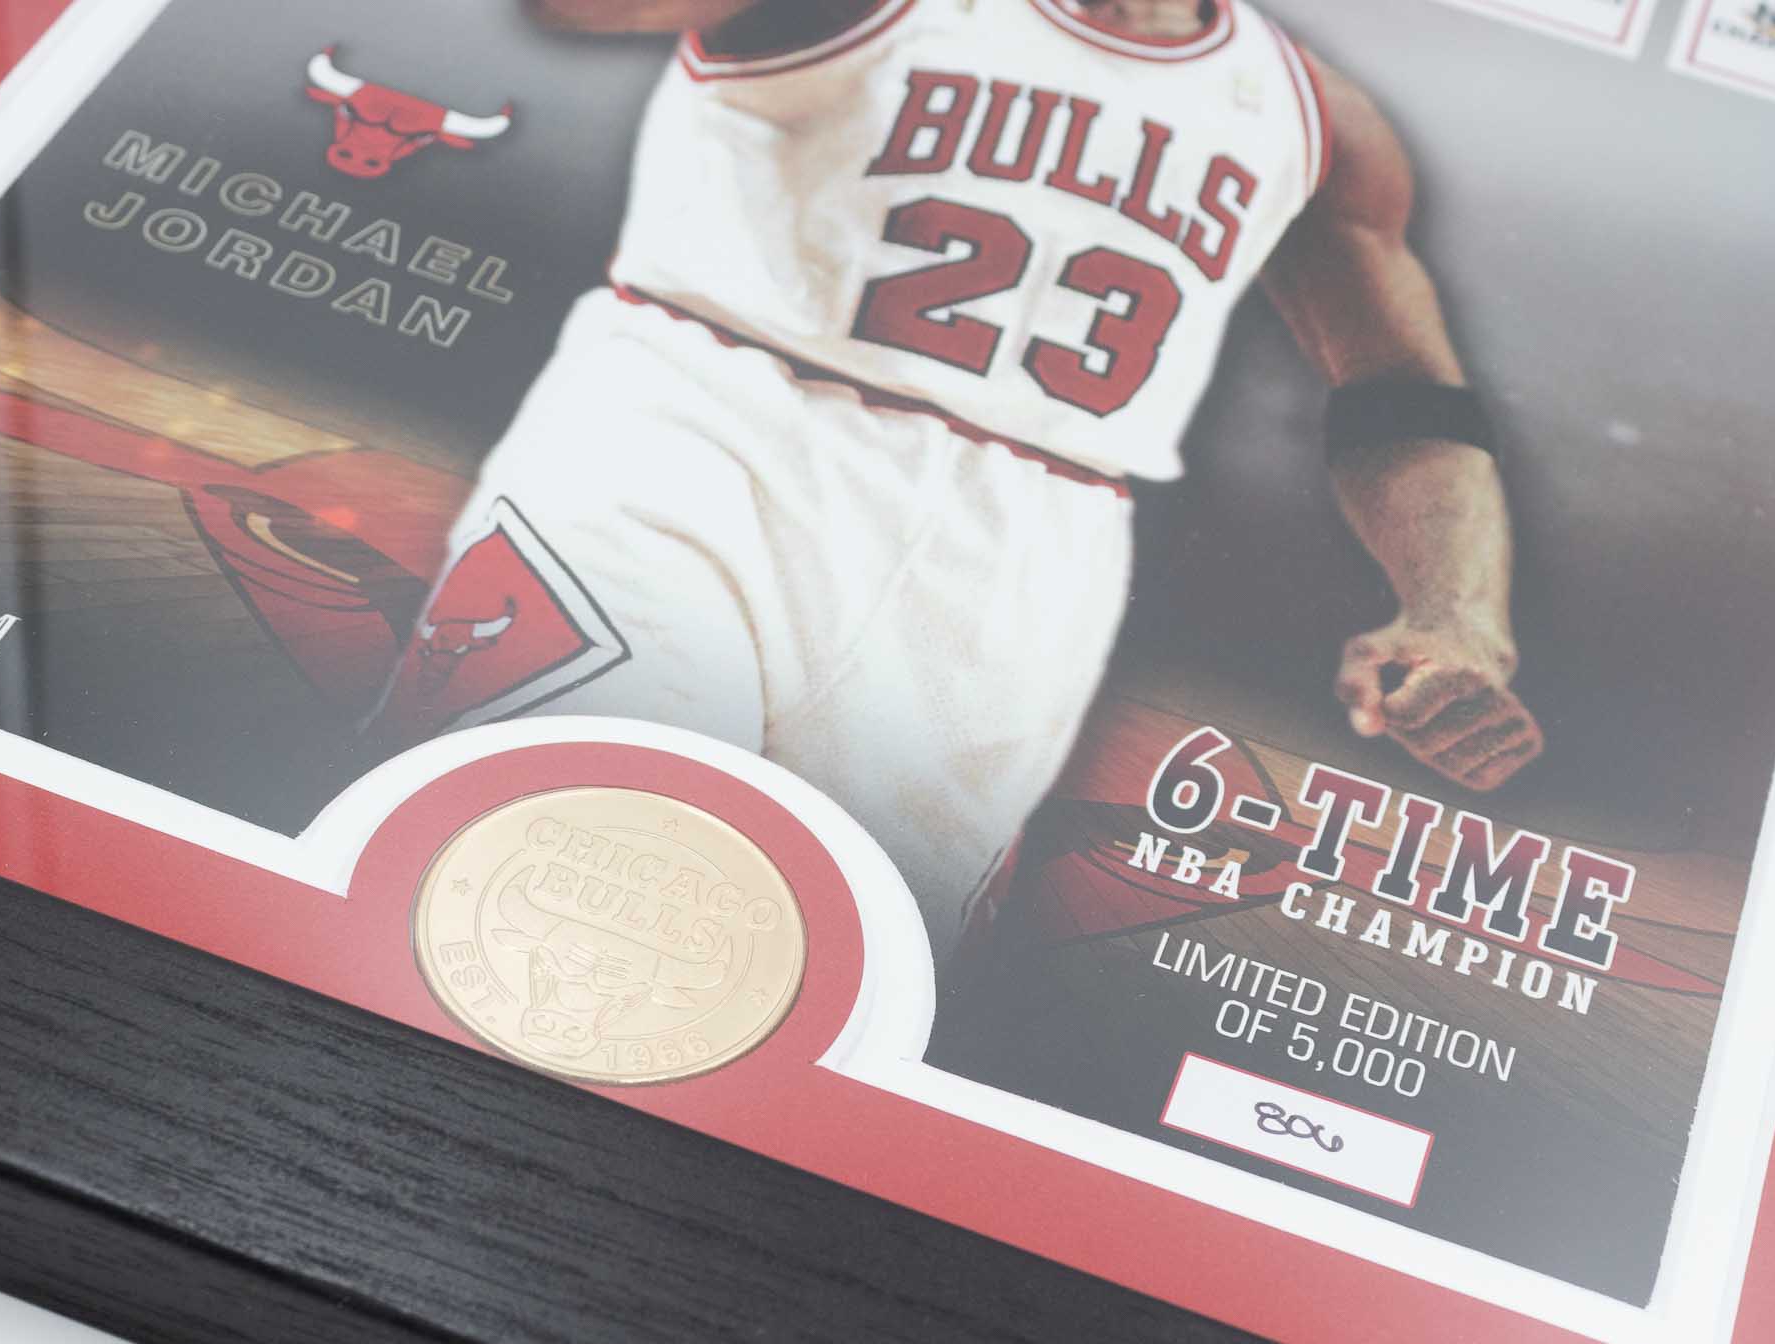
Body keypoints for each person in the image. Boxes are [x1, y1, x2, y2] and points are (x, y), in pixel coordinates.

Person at [380, 0, 1542, 955]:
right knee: (532, 870)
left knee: (829, 981)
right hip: (701, 440)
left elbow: (1403, 397)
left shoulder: (1311, 116)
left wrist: (1455, 612)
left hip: (1026, 559)